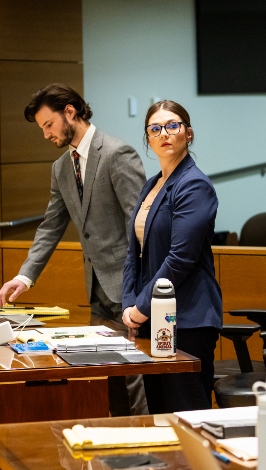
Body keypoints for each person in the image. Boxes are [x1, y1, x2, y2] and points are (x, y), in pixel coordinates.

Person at [0, 83, 147, 416]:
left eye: (48, 125)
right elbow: (50, 227)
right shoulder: (61, 168)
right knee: (109, 376)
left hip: (129, 287)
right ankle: (119, 448)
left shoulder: (116, 153)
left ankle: (147, 445)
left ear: (70, 111)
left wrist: (140, 289)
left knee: (137, 376)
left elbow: (141, 226)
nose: (46, 135)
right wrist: (24, 278)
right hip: (95, 288)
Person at [122, 100, 221, 413]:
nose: (164, 133)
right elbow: (134, 253)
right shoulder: (152, 185)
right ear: (148, 139)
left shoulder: (195, 184)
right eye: (155, 128)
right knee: (160, 418)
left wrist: (140, 306)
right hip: (153, 317)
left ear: (188, 133)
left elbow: (181, 258)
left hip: (188, 319)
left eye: (172, 125)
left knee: (187, 421)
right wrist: (128, 305)